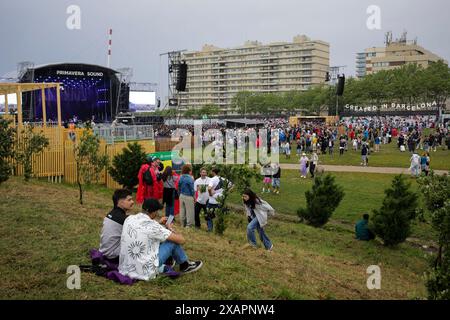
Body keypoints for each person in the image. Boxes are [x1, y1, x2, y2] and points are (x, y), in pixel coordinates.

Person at [118, 198, 203, 281]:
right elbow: (181, 240)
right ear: (154, 212)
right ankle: (185, 265)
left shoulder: (129, 218)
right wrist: (170, 229)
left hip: (126, 267)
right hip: (145, 270)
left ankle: (172, 262)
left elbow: (144, 229)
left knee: (159, 240)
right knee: (172, 242)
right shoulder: (153, 226)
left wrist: (158, 223)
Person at [99, 189, 134, 263]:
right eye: (129, 200)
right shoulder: (123, 219)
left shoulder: (111, 214)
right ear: (121, 202)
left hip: (104, 252)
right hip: (113, 257)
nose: (132, 202)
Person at [207, 168, 232, 232]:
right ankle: (218, 230)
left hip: (212, 201)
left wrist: (210, 194)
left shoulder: (212, 179)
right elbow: (233, 185)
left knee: (209, 216)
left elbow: (209, 188)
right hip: (220, 200)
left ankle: (210, 229)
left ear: (213, 172)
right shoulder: (224, 179)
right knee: (219, 216)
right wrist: (226, 192)